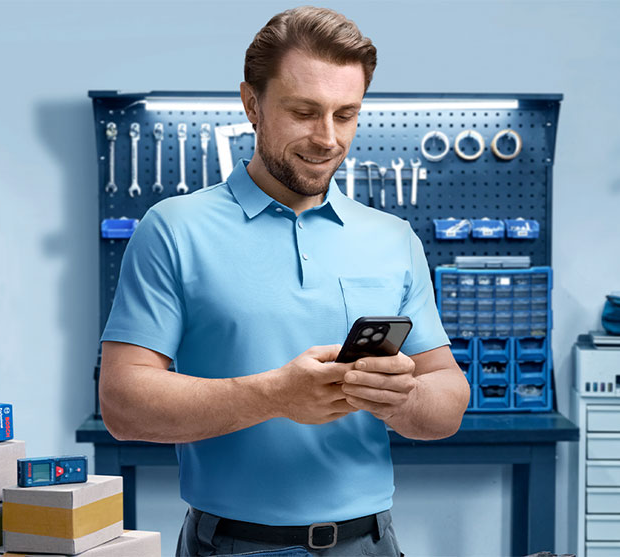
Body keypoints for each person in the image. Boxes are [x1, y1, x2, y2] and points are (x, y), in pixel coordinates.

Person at [97, 6, 469, 557]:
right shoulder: (174, 229)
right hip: (230, 545)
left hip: (370, 543)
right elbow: (124, 405)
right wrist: (275, 395)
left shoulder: (393, 239)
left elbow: (449, 400)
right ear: (251, 104)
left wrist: (403, 397)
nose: (327, 138)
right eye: (304, 112)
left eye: (346, 115)